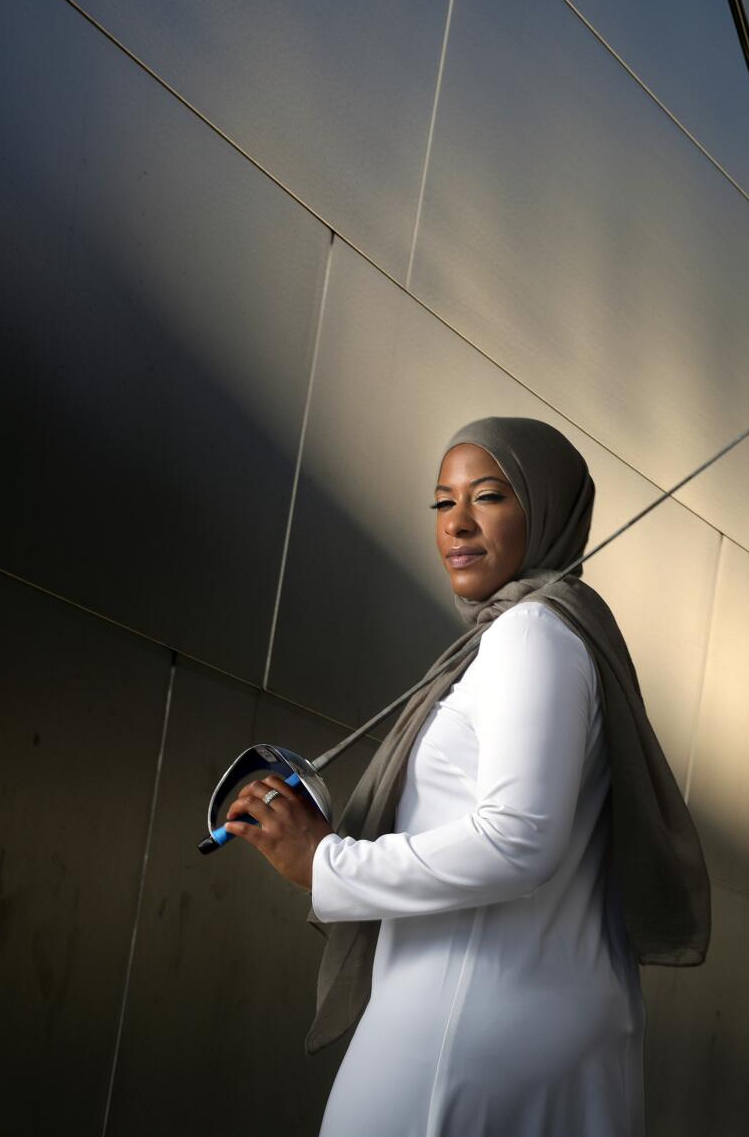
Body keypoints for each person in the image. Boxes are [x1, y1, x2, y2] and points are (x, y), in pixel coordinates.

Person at [222, 415, 708, 1134]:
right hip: (513, 1028)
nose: (458, 522)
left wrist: (328, 860)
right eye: (443, 502)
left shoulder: (532, 634)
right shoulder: (558, 636)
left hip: (459, 1039)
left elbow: (519, 839)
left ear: (544, 507)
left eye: (489, 496)